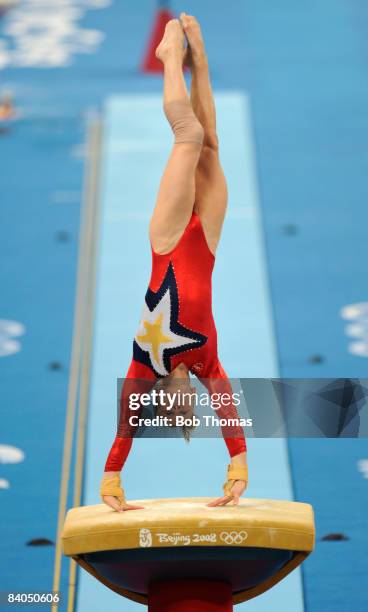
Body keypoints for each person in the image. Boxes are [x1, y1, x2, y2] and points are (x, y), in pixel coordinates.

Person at [100, 14, 248, 512]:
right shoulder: (205, 362)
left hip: (166, 242)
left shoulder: (146, 362)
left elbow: (125, 425)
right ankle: (199, 59)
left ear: (163, 397)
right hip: (205, 240)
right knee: (210, 143)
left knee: (186, 137)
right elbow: (228, 408)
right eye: (190, 410)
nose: (192, 407)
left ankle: (169, 62)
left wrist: (111, 483)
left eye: (181, 410)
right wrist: (238, 468)